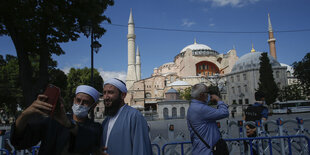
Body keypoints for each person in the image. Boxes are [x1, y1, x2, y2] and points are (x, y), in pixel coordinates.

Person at [10, 85, 102, 155]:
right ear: (74, 100)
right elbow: (20, 139)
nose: (80, 104)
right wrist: (25, 115)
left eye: (85, 102)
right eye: (78, 100)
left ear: (93, 106)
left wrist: (68, 124)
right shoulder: (52, 121)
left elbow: (90, 141)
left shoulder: (94, 127)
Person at [101, 78, 152, 155]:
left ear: (123, 95)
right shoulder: (106, 120)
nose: (106, 97)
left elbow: (141, 149)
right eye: (104, 93)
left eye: (110, 92)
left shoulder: (134, 116)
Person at [187, 83, 229, 155]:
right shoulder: (201, 108)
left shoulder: (193, 106)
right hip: (207, 151)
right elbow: (224, 112)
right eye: (208, 93)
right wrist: (218, 100)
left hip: (200, 149)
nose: (209, 95)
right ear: (202, 95)